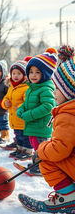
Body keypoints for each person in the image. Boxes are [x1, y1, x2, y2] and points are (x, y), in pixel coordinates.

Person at [18, 48, 75, 213]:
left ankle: (67, 198)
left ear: (67, 91)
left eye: (56, 88)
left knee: (46, 158)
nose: (53, 91)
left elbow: (59, 150)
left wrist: (42, 150)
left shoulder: (68, 115)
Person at [17, 48, 57, 175]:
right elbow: (27, 103)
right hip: (34, 126)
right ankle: (37, 163)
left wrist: (29, 115)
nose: (33, 75)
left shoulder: (45, 88)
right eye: (31, 72)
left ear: (45, 74)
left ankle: (42, 167)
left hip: (41, 126)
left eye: (37, 72)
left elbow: (48, 106)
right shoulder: (32, 88)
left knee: (41, 148)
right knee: (36, 147)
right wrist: (21, 109)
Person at [0, 58, 33, 160]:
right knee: (18, 136)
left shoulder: (26, 88)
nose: (15, 76)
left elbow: (28, 102)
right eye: (13, 73)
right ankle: (19, 149)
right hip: (14, 119)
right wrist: (5, 103)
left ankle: (27, 151)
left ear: (25, 75)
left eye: (19, 73)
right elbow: (6, 98)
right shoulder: (11, 87)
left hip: (23, 120)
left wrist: (21, 106)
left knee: (25, 137)